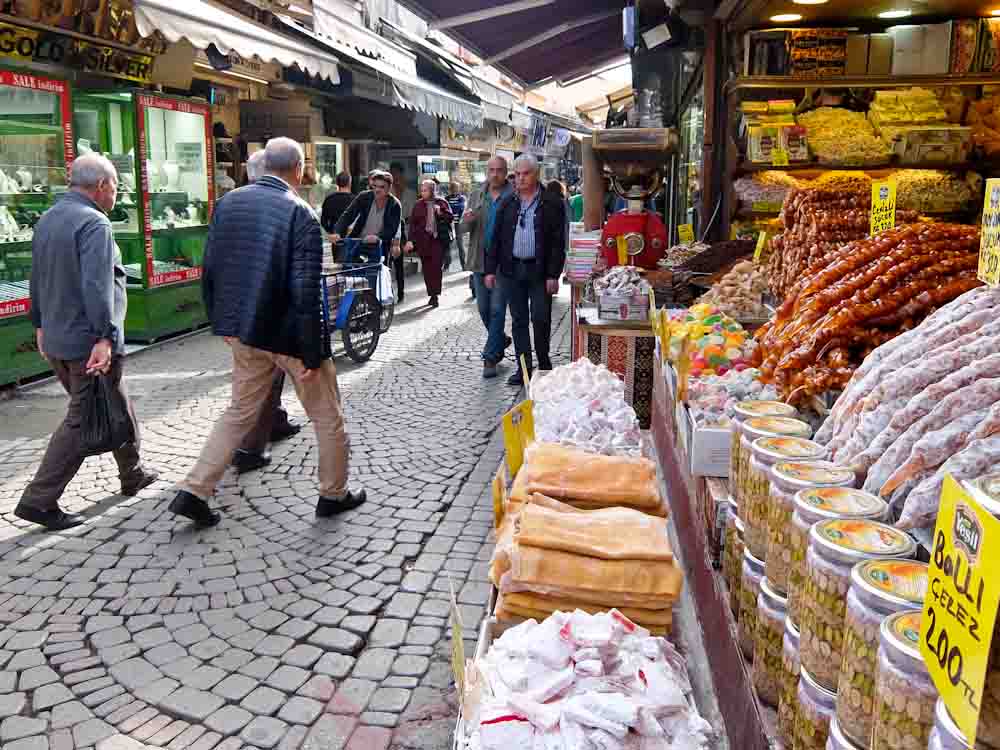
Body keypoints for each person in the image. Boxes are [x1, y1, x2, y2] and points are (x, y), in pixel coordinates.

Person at [170, 138, 364, 527]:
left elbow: (211, 269)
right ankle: (333, 494)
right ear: (296, 168)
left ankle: (194, 489)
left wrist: (220, 323)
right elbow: (306, 292)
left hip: (244, 330)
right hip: (288, 335)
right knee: (327, 416)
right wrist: (313, 354)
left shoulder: (229, 203)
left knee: (239, 411)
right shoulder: (301, 213)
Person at [15, 153, 157, 531]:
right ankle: (38, 500)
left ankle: (133, 472)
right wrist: (105, 338)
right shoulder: (95, 223)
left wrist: (40, 326)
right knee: (82, 420)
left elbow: (36, 276)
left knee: (116, 403)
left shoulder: (49, 217)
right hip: (87, 342)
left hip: (60, 338)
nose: (117, 194)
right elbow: (99, 288)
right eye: (115, 187)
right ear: (100, 187)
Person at [231, 150, 301, 476]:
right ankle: (249, 448)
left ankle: (275, 422)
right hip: (268, 313)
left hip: (239, 312)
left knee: (252, 381)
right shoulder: (282, 205)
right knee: (264, 382)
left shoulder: (232, 202)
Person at [485, 153, 566, 387]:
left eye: (525, 174)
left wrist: (553, 274)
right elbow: (496, 239)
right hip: (512, 270)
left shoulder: (551, 202)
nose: (519, 179)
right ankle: (524, 369)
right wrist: (491, 270)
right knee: (519, 320)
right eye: (517, 174)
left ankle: (543, 363)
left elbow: (557, 242)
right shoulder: (508, 202)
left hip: (539, 271)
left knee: (540, 317)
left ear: (536, 174)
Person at [462, 156, 514, 379]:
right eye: (491, 170)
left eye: (499, 170)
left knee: (496, 309)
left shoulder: (513, 196)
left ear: (505, 172)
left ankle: (490, 357)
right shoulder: (476, 194)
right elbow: (463, 226)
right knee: (483, 308)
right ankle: (500, 339)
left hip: (503, 263)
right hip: (479, 260)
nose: (495, 174)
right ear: (487, 171)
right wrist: (467, 219)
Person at [331, 170, 404, 302]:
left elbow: (391, 229)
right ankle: (351, 306)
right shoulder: (364, 197)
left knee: (375, 279)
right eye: (375, 186)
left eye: (382, 187)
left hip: (379, 246)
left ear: (389, 188)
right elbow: (348, 215)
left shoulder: (394, 205)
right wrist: (337, 231)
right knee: (348, 273)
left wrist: (378, 237)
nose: (377, 190)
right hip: (358, 241)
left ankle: (376, 308)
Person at [405, 179, 453, 309]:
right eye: (422, 190)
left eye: (425, 190)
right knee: (426, 269)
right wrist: (410, 240)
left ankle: (435, 295)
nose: (422, 192)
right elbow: (413, 225)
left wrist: (440, 213)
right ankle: (431, 293)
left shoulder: (442, 202)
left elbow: (450, 218)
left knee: (436, 267)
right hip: (423, 241)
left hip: (437, 241)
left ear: (432, 191)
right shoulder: (418, 205)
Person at [445, 180, 467, 271]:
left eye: (456, 188)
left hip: (458, 224)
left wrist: (452, 210)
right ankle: (447, 264)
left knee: (460, 245)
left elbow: (461, 208)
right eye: (453, 188)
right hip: (449, 224)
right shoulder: (447, 198)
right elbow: (446, 209)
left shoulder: (461, 198)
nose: (455, 190)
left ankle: (464, 265)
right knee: (447, 245)